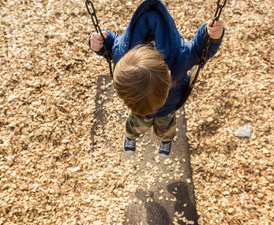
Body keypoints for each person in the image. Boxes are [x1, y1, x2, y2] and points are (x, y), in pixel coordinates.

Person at [89, 0, 225, 157]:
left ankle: (165, 139)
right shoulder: (121, 55)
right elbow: (111, 45)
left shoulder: (179, 58)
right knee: (135, 123)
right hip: (141, 107)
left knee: (166, 126)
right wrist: (101, 43)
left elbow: (200, 49)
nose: (153, 111)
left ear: (168, 75)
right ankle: (131, 135)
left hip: (168, 107)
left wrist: (209, 36)